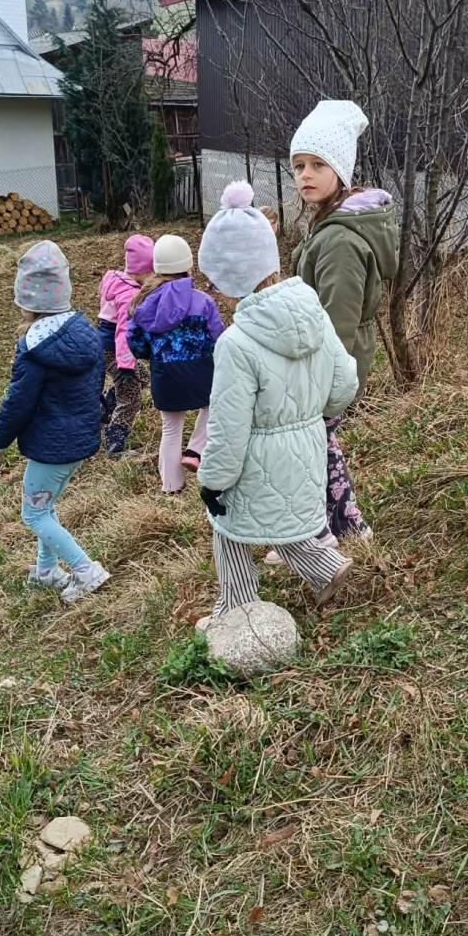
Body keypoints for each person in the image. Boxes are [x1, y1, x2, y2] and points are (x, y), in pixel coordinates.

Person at [196, 181, 359, 615]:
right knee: (280, 516)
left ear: (226, 276)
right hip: (307, 449)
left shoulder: (235, 344)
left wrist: (213, 481)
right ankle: (327, 568)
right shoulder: (312, 311)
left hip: (255, 458)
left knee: (228, 525)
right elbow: (345, 382)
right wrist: (313, 412)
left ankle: (236, 608)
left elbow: (228, 428)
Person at [288, 99, 398, 544]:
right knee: (320, 443)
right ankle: (345, 525)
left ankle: (319, 534)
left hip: (332, 361)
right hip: (330, 359)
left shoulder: (338, 241)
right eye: (299, 166)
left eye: (318, 165)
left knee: (310, 444)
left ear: (341, 170)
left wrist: (322, 379)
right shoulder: (329, 226)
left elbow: (339, 320)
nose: (305, 175)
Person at [0, 240, 110, 600]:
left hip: (51, 447)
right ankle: (46, 571)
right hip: (80, 439)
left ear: (25, 299)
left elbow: (17, 402)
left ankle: (86, 570)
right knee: (46, 506)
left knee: (33, 515)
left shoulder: (34, 348)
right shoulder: (86, 332)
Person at [127, 234, 223, 494]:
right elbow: (218, 337)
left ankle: (171, 486)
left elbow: (135, 342)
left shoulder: (143, 304)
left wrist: (154, 354)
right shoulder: (203, 301)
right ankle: (196, 450)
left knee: (170, 430)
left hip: (164, 375)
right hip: (202, 372)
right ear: (188, 264)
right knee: (213, 406)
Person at [97, 233, 152, 455]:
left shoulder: (115, 279)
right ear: (142, 271)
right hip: (116, 350)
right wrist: (126, 365)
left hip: (105, 345)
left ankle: (107, 405)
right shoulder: (130, 295)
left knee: (145, 377)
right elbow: (123, 332)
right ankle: (115, 440)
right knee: (131, 395)